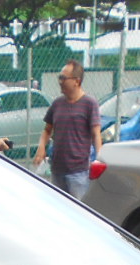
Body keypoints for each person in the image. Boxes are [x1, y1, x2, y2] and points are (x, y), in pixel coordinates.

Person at [33, 60, 102, 199]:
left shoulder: (89, 104)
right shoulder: (57, 104)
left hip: (78, 173)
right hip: (57, 170)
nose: (60, 81)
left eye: (63, 78)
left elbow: (96, 134)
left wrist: (99, 159)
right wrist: (41, 148)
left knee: (78, 210)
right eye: (59, 77)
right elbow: (47, 130)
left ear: (76, 81)